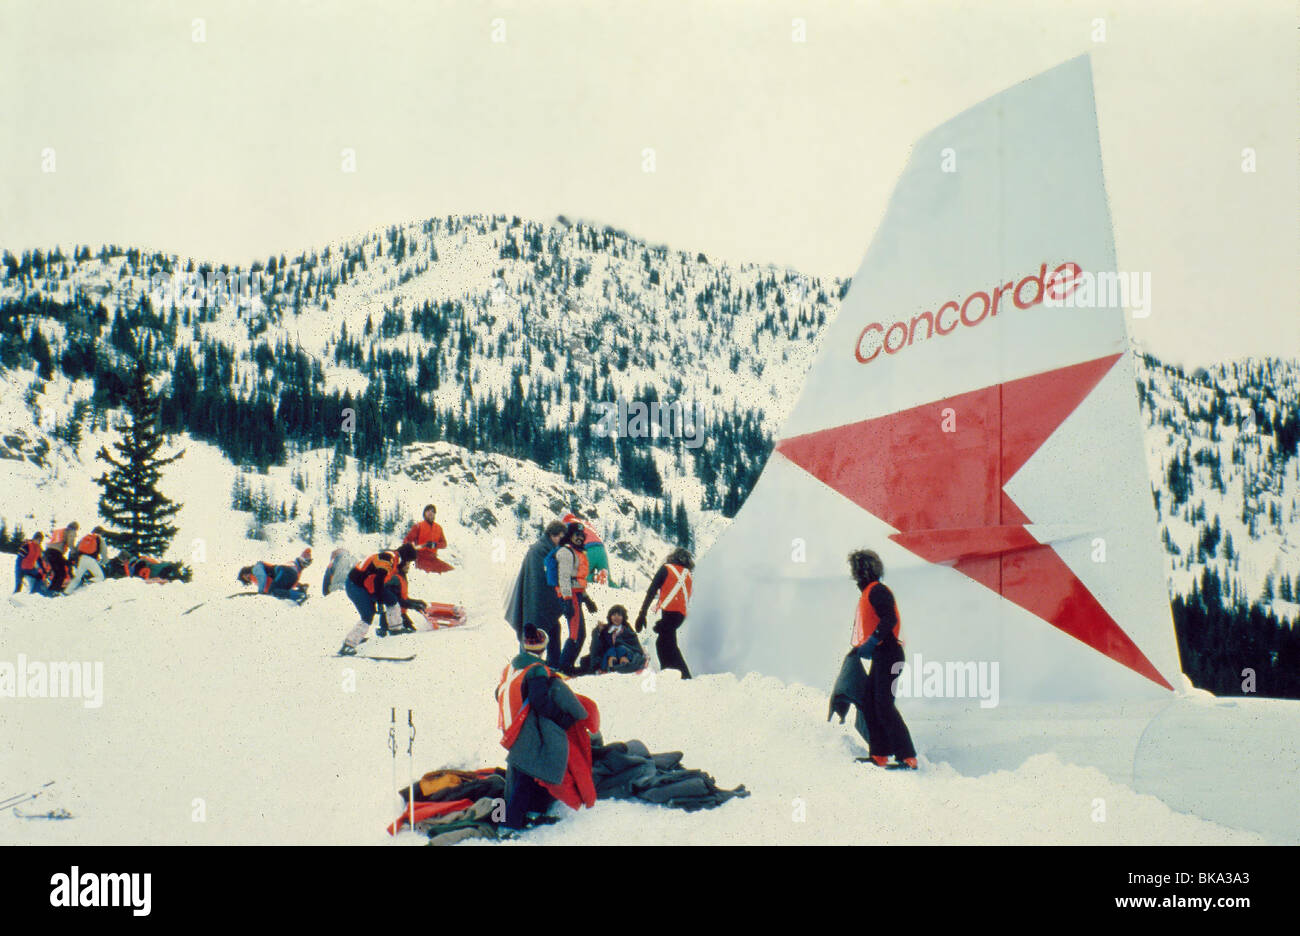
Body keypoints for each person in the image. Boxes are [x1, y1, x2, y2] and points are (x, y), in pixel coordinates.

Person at [494, 625, 589, 829]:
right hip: (522, 728)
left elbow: (497, 692)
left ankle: (526, 812)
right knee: (529, 771)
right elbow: (540, 701)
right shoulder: (536, 669)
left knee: (522, 770)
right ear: (543, 648)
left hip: (509, 724)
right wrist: (561, 717)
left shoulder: (512, 666)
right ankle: (510, 823)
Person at [848, 549, 917, 770]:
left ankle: (907, 757)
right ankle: (879, 754)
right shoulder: (870, 592)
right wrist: (862, 646)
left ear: (863, 571)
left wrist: (873, 641)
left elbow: (889, 619)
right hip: (882, 654)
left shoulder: (878, 591)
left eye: (856, 569)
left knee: (884, 705)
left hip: (889, 654)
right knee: (870, 703)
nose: (854, 574)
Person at [504, 520, 566, 666]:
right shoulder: (540, 551)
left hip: (537, 602)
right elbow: (541, 580)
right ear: (553, 535)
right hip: (535, 603)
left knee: (553, 629)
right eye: (561, 537)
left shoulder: (546, 549)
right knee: (532, 633)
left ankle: (552, 665)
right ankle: (526, 665)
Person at [338, 544, 419, 655]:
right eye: (408, 562)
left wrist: (381, 598)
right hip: (356, 586)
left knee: (392, 600)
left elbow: (379, 582)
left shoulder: (392, 559)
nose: (408, 565)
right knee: (368, 614)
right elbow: (378, 582)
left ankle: (396, 628)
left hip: (366, 585)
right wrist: (379, 600)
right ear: (404, 559)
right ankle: (348, 645)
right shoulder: (388, 558)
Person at [636, 547, 694, 679]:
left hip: (669, 613)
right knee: (667, 643)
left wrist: (642, 614)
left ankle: (679, 677)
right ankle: (676, 674)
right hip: (680, 616)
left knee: (664, 644)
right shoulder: (688, 574)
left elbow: (651, 591)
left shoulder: (666, 569)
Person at [555, 521, 597, 674]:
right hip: (569, 596)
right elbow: (564, 578)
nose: (579, 538)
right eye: (576, 535)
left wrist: (587, 599)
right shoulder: (567, 552)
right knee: (576, 634)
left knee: (579, 633)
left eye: (581, 535)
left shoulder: (578, 552)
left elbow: (577, 580)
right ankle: (564, 667)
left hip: (576, 595)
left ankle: (567, 665)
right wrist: (566, 601)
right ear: (569, 536)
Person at [586, 604, 645, 674]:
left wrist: (618, 642)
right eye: (614, 615)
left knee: (621, 648)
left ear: (623, 617)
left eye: (619, 615)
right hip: (610, 654)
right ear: (610, 617)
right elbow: (597, 645)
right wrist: (597, 630)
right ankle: (611, 665)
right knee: (611, 651)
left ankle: (623, 663)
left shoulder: (626, 629)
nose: (616, 617)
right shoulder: (606, 629)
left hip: (625, 653)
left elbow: (634, 645)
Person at [237, 548, 313, 602]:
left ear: (245, 573)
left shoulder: (256, 568)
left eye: (246, 578)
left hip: (285, 571)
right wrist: (300, 585)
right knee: (280, 593)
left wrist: (260, 594)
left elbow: (262, 577)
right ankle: (300, 593)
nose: (249, 579)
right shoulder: (258, 575)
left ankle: (299, 595)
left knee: (273, 592)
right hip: (289, 574)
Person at [403, 504, 452, 574]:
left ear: (435, 514)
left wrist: (434, 545)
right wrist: (410, 549)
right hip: (420, 558)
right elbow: (407, 540)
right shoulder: (418, 526)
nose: (430, 513)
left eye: (433, 511)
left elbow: (444, 544)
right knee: (430, 574)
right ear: (424, 514)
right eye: (428, 511)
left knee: (451, 571)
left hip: (433, 558)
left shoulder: (438, 528)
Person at [64, 526, 108, 594]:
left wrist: (75, 561)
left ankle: (66, 592)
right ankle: (89, 582)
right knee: (100, 577)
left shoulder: (85, 538)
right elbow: (104, 554)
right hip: (91, 560)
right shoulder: (99, 539)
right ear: (101, 533)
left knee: (77, 578)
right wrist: (102, 562)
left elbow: (76, 549)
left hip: (81, 559)